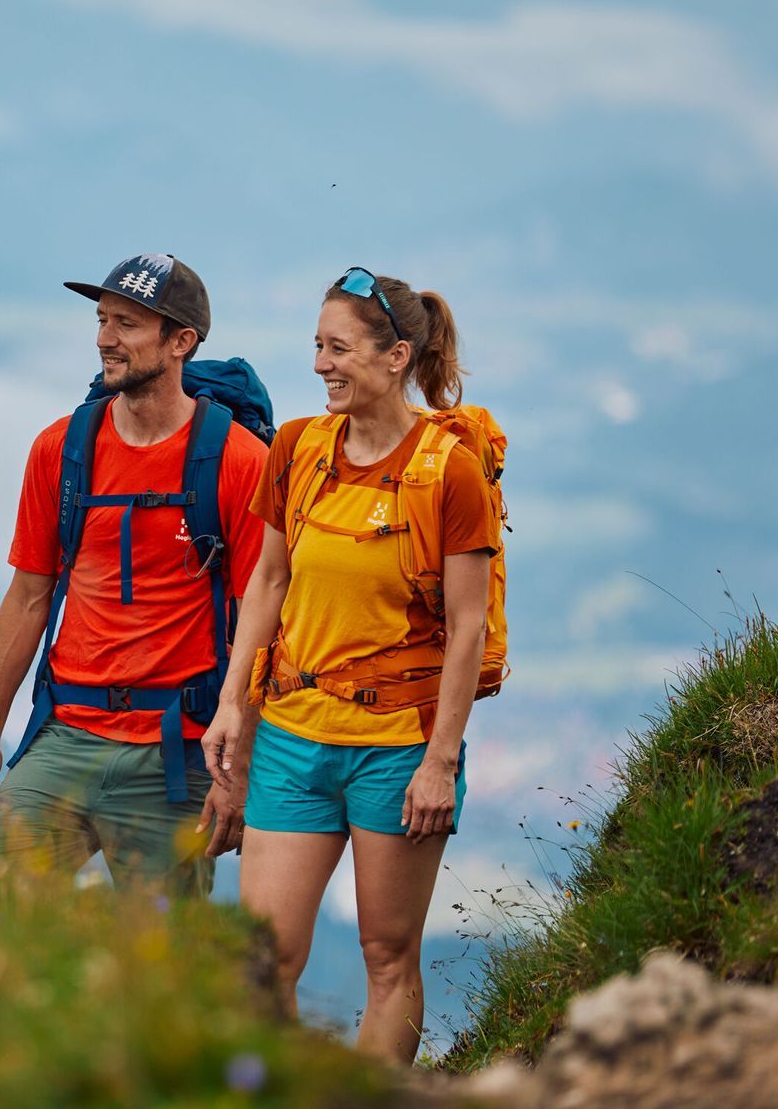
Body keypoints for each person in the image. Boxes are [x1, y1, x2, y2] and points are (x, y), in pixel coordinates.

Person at [199, 269, 502, 1064]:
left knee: (388, 958)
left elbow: (468, 628)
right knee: (263, 962)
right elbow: (268, 581)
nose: (320, 365)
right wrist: (235, 704)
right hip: (295, 735)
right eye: (317, 347)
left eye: (338, 349)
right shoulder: (298, 447)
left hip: (399, 747)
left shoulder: (450, 472)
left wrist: (440, 763)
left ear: (397, 356)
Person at [0, 254, 270, 896]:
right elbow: (27, 598)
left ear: (181, 341)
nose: (105, 337)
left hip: (175, 751)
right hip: (65, 733)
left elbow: (263, 623)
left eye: (127, 323)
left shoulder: (240, 463)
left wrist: (237, 771)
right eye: (103, 319)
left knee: (163, 966)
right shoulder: (62, 449)